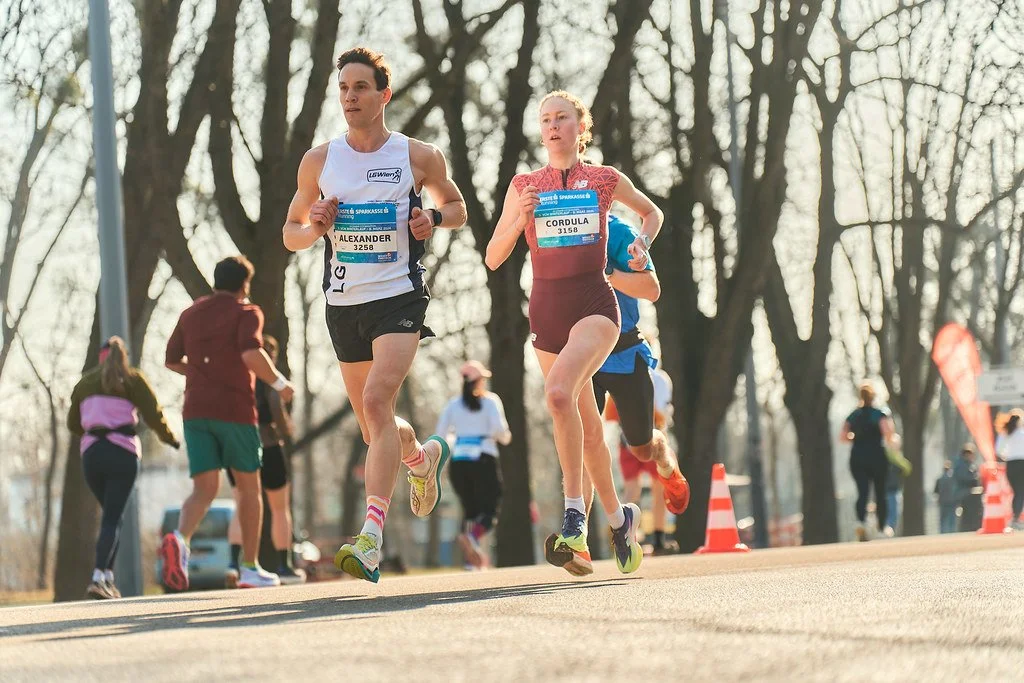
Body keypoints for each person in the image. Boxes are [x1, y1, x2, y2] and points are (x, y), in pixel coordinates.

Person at [282, 47, 467, 583]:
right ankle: (420, 459)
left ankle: (370, 539)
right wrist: (314, 226)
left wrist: (433, 218)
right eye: (343, 88)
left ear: (384, 95)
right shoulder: (319, 161)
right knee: (374, 427)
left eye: (361, 87)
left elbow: (457, 207)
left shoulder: (418, 156)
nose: (350, 97)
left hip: (399, 297)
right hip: (344, 303)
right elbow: (290, 233)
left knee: (377, 400)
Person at [486, 90, 663, 575]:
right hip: (546, 314)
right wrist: (519, 217)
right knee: (586, 428)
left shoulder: (603, 179)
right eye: (545, 119)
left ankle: (573, 516)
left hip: (595, 307)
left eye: (561, 117)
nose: (552, 126)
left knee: (558, 394)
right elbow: (494, 256)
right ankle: (619, 518)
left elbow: (652, 213)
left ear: (580, 127)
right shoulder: (525, 184)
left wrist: (641, 246)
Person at [162, 255, 295, 591]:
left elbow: (171, 360)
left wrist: (200, 374)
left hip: (195, 412)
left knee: (204, 489)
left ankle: (180, 538)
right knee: (249, 489)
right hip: (235, 411)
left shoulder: (191, 313)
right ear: (244, 285)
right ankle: (249, 568)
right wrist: (280, 384)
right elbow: (251, 353)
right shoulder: (247, 312)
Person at [67, 336, 180, 599]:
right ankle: (98, 576)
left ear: (100, 357)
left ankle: (107, 577)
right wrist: (170, 439)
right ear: (123, 356)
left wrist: (94, 427)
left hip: (92, 456)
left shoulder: (84, 383)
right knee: (112, 517)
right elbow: (154, 414)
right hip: (122, 454)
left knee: (112, 516)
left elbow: (73, 424)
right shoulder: (133, 380)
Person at [225, 335, 304, 585]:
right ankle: (284, 565)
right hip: (268, 443)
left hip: (236, 444)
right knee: (280, 508)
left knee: (241, 504)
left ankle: (233, 565)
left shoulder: (234, 377)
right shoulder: (270, 379)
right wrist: (285, 429)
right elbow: (276, 408)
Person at [435, 360, 512, 569]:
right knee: (490, 506)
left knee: (470, 509)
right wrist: (504, 437)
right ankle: (473, 536)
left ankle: (471, 561)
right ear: (478, 381)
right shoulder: (491, 402)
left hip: (459, 461)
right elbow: (500, 431)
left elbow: (440, 435)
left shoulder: (452, 405)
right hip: (484, 458)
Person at [839, 382, 897, 541]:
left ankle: (861, 522)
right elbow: (888, 434)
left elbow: (843, 437)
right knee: (880, 493)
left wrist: (856, 437)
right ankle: (881, 527)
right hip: (877, 456)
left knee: (862, 491)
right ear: (873, 397)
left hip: (858, 457)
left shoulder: (853, 416)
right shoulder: (880, 414)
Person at [995, 409, 1024, 530]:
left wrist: (1007, 455)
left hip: (1010, 464)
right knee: (1020, 492)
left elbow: (998, 450)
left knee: (1017, 492)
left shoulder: (1005, 433)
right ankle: (1016, 518)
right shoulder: (1022, 433)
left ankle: (1015, 518)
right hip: (1022, 463)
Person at [953, 444, 982, 532]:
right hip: (965, 494)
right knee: (967, 514)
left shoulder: (971, 465)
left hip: (971, 494)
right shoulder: (961, 465)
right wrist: (974, 479)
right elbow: (962, 478)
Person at [934, 460, 958, 533]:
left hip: (943, 501)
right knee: (952, 518)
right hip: (952, 501)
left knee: (943, 519)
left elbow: (936, 492)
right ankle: (952, 531)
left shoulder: (939, 479)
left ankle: (943, 532)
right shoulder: (953, 479)